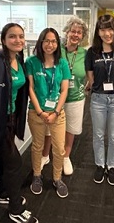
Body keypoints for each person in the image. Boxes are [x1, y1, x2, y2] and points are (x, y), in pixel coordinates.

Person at [0, 23, 38, 223]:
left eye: (21, 36)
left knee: (2, 158)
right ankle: (15, 209)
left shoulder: (19, 60)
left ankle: (3, 193)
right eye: (12, 36)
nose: (18, 40)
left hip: (12, 117)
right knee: (15, 163)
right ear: (4, 39)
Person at [85, 15, 114, 185]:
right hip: (98, 99)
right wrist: (98, 88)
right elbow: (91, 78)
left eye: (110, 29)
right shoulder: (92, 52)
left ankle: (111, 166)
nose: (107, 33)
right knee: (98, 135)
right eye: (103, 29)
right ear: (98, 32)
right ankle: (100, 164)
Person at [40, 16, 89, 175]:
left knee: (70, 129)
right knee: (49, 127)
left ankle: (66, 156)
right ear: (67, 32)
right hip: (54, 98)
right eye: (72, 31)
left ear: (83, 36)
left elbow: (89, 73)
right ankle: (45, 155)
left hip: (75, 98)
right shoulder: (56, 49)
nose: (75, 35)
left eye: (79, 33)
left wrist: (87, 86)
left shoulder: (85, 53)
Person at [26, 28, 71, 198]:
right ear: (41, 42)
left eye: (53, 41)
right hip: (36, 113)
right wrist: (39, 111)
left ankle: (57, 178)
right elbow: (30, 88)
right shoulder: (31, 62)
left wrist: (56, 112)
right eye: (46, 40)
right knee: (37, 146)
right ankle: (37, 175)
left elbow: (64, 90)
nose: (50, 44)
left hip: (57, 113)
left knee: (59, 148)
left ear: (57, 44)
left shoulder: (62, 63)